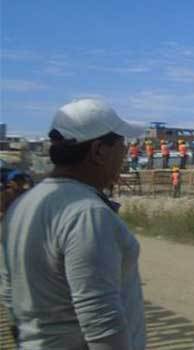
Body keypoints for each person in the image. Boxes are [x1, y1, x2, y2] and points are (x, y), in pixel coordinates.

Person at [0, 98, 145, 349]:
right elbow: (100, 319)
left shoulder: (24, 205)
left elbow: (9, 293)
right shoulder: (87, 213)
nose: (125, 153)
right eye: (123, 144)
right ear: (99, 150)